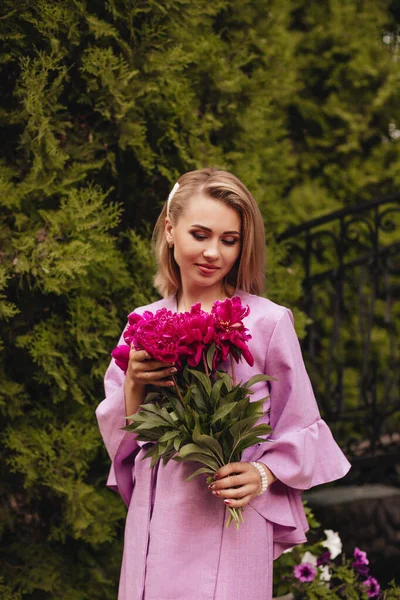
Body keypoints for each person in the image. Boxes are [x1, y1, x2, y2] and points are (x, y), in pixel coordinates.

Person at [96, 168, 350, 600]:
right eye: (200, 234)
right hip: (157, 523)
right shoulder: (142, 324)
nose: (214, 252)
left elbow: (304, 427)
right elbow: (125, 444)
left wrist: (263, 473)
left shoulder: (268, 322)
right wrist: (135, 383)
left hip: (232, 521)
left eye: (229, 240)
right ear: (170, 230)